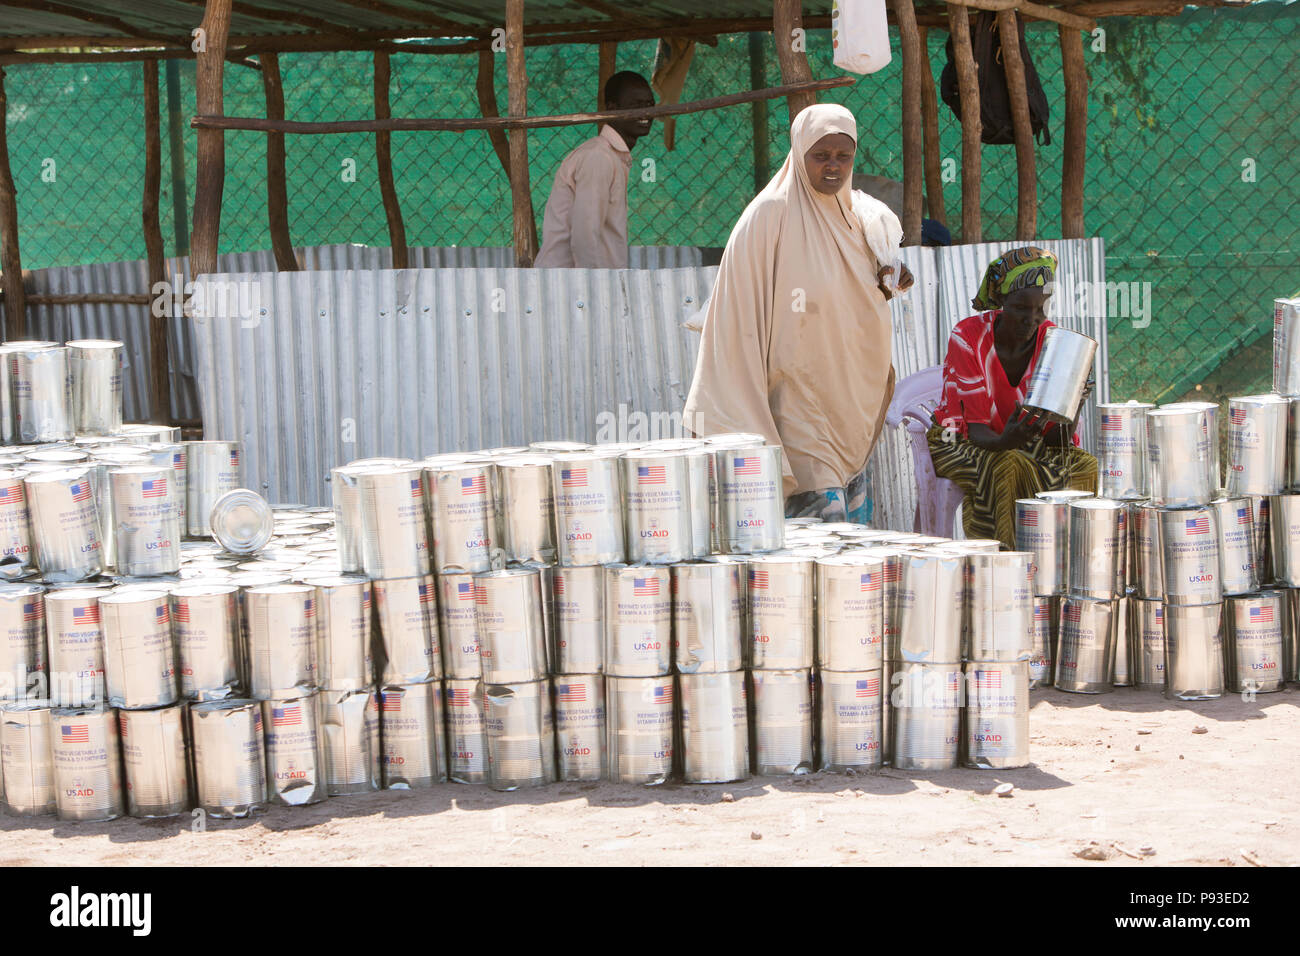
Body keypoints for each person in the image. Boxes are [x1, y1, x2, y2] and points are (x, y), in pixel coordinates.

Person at [682, 103, 912, 523]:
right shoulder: (769, 216)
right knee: (819, 524)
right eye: (820, 156)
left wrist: (887, 269)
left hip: (847, 398)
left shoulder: (860, 219)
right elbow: (736, 307)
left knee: (849, 542)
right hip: (794, 395)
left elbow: (878, 281)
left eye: (844, 156)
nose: (833, 167)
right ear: (798, 151)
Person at [926, 246, 1098, 548]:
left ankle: (1064, 563)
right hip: (959, 440)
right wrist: (1009, 440)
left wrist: (1075, 401)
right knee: (1008, 464)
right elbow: (976, 430)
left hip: (1020, 440)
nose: (1031, 319)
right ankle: (1003, 565)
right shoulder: (968, 338)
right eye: (1021, 308)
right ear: (1002, 301)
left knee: (1082, 465)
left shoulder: (1051, 339)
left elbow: (1058, 441)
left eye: (1040, 308)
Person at [534, 71, 655, 269]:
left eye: (650, 105)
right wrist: (594, 290)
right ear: (612, 109)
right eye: (636, 106)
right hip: (569, 288)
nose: (646, 113)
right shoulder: (599, 157)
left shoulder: (611, 156)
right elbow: (585, 235)